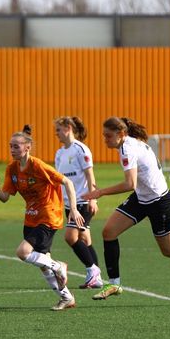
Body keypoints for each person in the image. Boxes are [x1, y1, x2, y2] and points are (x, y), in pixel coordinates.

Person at [82, 117, 170, 300]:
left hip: (160, 203)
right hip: (141, 199)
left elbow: (130, 184)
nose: (105, 139)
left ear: (121, 134)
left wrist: (100, 192)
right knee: (109, 232)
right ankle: (114, 284)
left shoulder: (128, 149)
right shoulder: (129, 144)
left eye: (108, 136)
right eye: (103, 135)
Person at [0, 125, 85, 311]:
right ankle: (66, 297)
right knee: (42, 264)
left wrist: (73, 209)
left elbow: (67, 182)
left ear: (27, 147)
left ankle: (59, 266)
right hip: (31, 218)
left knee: (23, 252)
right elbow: (5, 197)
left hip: (49, 215)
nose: (12, 150)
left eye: (16, 146)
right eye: (10, 146)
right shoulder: (12, 169)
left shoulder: (38, 166)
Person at [54, 116, 103, 289]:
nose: (56, 134)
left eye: (58, 130)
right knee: (84, 238)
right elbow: (60, 180)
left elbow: (90, 176)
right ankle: (96, 278)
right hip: (69, 204)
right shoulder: (59, 153)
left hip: (83, 202)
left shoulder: (81, 149)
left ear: (68, 128)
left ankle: (92, 270)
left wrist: (93, 198)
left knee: (70, 237)